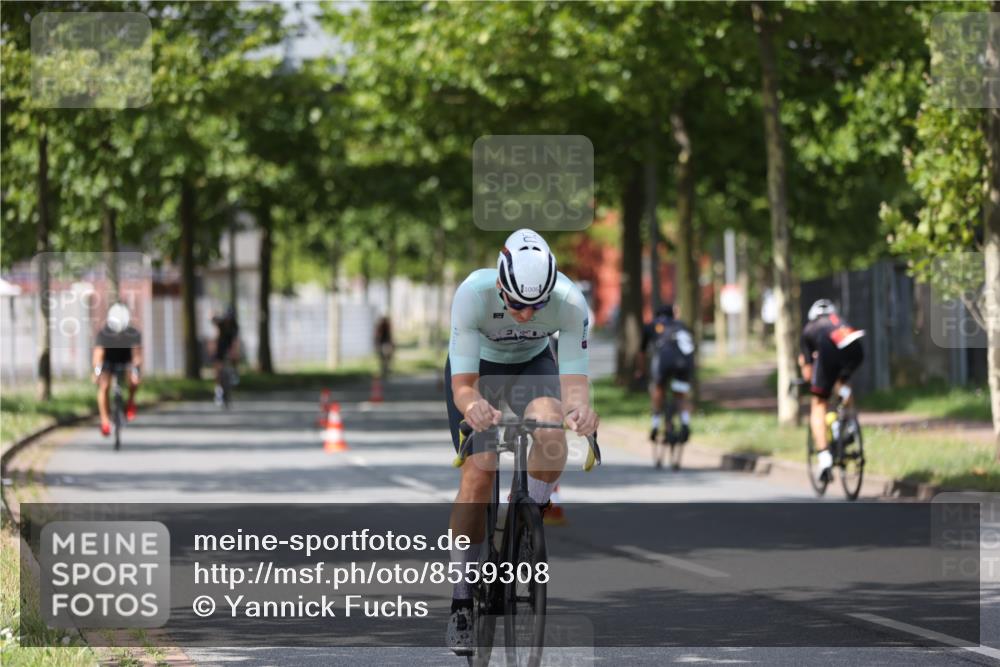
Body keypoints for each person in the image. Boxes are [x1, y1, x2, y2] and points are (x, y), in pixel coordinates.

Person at [444, 228, 599, 655]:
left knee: (552, 428)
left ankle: (527, 511)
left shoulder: (569, 301)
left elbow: (575, 386)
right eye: (516, 304)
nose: (528, 315)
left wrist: (580, 411)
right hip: (478, 372)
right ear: (500, 285)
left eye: (537, 305)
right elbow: (462, 387)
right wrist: (473, 406)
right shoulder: (472, 295)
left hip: (532, 365)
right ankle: (460, 597)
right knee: (479, 472)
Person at [798, 299, 865, 482]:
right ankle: (849, 422)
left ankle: (824, 459)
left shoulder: (809, 330)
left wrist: (811, 379)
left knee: (818, 404)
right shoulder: (840, 322)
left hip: (827, 352)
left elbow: (807, 372)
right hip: (854, 346)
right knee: (843, 382)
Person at [636, 303, 696, 468]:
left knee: (658, 388)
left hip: (664, 362)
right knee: (680, 394)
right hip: (684, 363)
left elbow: (641, 353)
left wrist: (640, 372)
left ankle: (655, 423)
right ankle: (685, 421)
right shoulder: (682, 326)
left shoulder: (651, 326)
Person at [92, 302, 142, 436]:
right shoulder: (103, 334)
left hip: (125, 361)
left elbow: (136, 357)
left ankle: (130, 401)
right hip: (108, 361)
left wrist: (136, 373)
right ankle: (104, 421)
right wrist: (97, 373)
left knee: (134, 381)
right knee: (104, 386)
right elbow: (98, 357)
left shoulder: (134, 333)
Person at [212, 306, 240, 405]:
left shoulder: (235, 326)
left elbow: (235, 341)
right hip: (221, 346)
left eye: (231, 318)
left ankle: (235, 373)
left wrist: (234, 352)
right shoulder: (221, 323)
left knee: (235, 355)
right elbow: (213, 319)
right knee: (217, 367)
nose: (229, 320)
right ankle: (218, 390)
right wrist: (213, 314)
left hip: (229, 345)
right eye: (228, 317)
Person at [374, 315, 394, 379]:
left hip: (385, 343)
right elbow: (378, 336)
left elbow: (390, 336)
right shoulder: (381, 327)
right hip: (383, 343)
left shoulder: (386, 326)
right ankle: (385, 369)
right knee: (384, 358)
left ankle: (385, 369)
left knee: (385, 357)